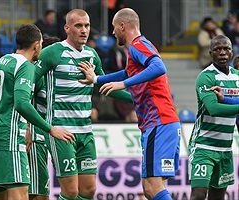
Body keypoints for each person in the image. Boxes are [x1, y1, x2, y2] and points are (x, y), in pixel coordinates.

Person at [78, 8, 180, 200]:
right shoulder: (141, 47)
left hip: (158, 123)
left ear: (122, 26)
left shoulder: (137, 45)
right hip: (166, 123)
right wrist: (97, 79)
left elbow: (158, 67)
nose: (113, 32)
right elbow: (126, 73)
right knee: (153, 187)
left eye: (114, 27)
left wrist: (123, 85)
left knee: (151, 188)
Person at [36, 9, 133, 200]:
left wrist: (137, 99)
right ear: (67, 28)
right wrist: (32, 125)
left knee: (88, 190)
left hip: (86, 132)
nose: (83, 30)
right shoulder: (51, 53)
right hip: (62, 132)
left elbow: (105, 86)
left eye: (86, 26)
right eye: (78, 26)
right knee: (70, 192)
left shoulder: (92, 55)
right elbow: (30, 86)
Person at [0, 24, 75, 200]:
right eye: (41, 44)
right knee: (19, 195)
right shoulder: (26, 66)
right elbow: (22, 103)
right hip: (10, 140)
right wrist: (51, 129)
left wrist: (2, 110)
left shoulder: (1, 61)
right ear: (36, 45)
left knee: (2, 198)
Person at [188, 35, 237, 200]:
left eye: (226, 49)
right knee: (199, 195)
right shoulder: (206, 77)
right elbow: (214, 109)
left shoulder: (237, 77)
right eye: (217, 49)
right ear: (210, 53)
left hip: (225, 148)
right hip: (204, 145)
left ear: (231, 52)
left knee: (217, 198)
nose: (222, 53)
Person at [28, 35, 61, 200]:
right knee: (38, 195)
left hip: (54, 135)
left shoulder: (58, 77)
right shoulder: (38, 75)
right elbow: (21, 102)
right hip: (36, 137)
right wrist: (26, 128)